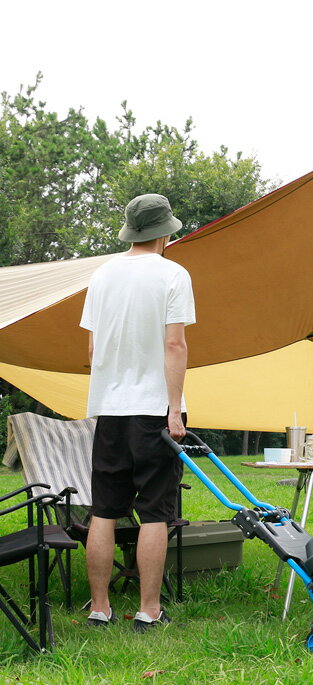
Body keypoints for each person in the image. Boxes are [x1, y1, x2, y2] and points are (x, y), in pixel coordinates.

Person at [79, 193, 196, 631]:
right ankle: (148, 610)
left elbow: (92, 350)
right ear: (164, 232)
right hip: (153, 410)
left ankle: (99, 607)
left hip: (109, 410)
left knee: (105, 510)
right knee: (154, 512)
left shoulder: (102, 275)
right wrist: (174, 411)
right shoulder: (173, 275)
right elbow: (174, 344)